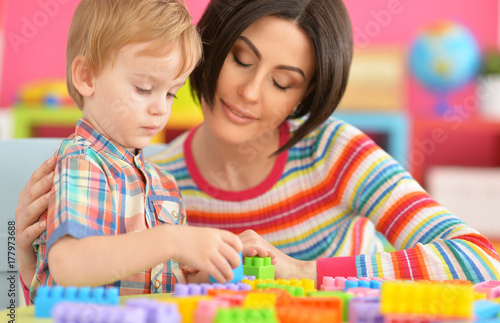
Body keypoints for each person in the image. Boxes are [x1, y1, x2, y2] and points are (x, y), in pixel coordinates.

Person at [17, 0, 500, 300]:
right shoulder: (149, 179)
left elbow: (480, 260)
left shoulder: (335, 153)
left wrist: (306, 272)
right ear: (208, 47)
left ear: (305, 97)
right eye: (240, 59)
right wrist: (20, 254)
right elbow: (64, 304)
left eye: (282, 82)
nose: (249, 92)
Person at [25, 0, 246, 304]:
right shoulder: (82, 160)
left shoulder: (162, 182)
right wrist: (170, 240)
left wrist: (224, 261)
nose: (159, 109)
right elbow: (68, 264)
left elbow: (175, 280)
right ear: (87, 77)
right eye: (143, 89)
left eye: (171, 93)